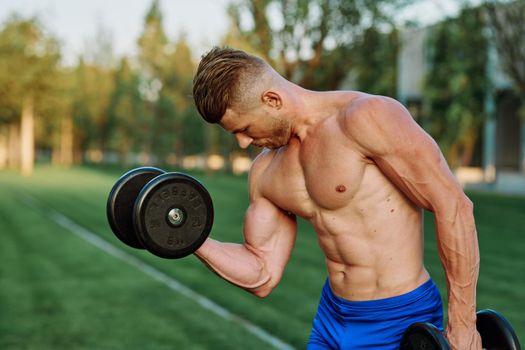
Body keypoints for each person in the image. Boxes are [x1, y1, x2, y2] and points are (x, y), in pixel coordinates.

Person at [192, 47, 481, 350]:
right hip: (331, 320)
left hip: (398, 317)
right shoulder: (266, 171)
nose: (243, 142)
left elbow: (453, 206)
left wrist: (463, 323)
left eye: (245, 129)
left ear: (272, 100)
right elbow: (262, 272)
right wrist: (189, 239)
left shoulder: (366, 118)